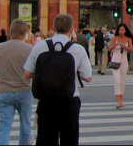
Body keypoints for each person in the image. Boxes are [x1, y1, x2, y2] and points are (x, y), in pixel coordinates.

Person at [24, 13, 92, 145]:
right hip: (69, 100)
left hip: (46, 101)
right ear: (72, 29)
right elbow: (88, 77)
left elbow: (27, 74)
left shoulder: (39, 46)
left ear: (54, 28)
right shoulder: (78, 49)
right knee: (69, 139)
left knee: (46, 138)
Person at [0, 19, 33, 145]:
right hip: (24, 90)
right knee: (25, 124)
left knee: (4, 126)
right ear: (25, 33)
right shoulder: (29, 49)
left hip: (4, 91)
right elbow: (33, 71)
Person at [109, 23, 133, 109]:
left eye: (122, 30)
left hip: (124, 61)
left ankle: (121, 100)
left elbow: (131, 50)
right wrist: (115, 45)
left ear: (125, 30)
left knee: (122, 81)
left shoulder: (128, 39)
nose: (121, 31)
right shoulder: (114, 38)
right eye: (119, 30)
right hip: (115, 61)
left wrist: (125, 47)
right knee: (117, 81)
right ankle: (118, 101)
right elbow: (109, 48)